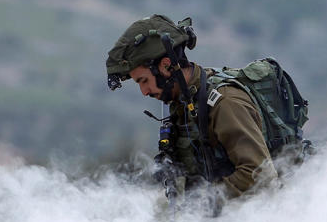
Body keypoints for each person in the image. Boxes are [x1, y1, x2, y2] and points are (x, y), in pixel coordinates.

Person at [105, 14, 281, 202]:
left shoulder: (225, 103)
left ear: (166, 66)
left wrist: (205, 205)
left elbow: (261, 177)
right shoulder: (184, 104)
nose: (144, 91)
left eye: (144, 80)